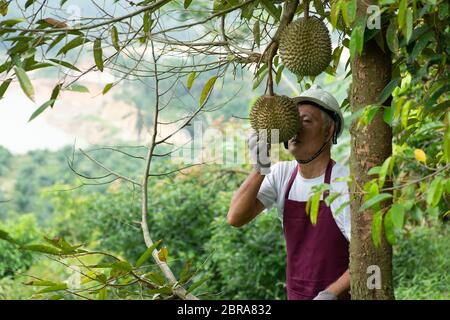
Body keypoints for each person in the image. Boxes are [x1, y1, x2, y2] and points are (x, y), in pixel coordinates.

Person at [227, 85, 351, 300]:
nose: (296, 129)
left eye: (306, 121)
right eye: (293, 122)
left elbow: (367, 254)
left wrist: (331, 293)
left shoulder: (344, 182)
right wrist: (260, 167)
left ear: (329, 130)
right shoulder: (281, 174)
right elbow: (236, 217)